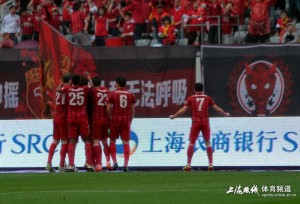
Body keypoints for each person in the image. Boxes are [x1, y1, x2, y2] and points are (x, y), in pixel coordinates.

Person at [169, 82, 230, 171]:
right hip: (205, 121)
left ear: (194, 89)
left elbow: (184, 109)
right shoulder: (207, 98)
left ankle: (189, 165)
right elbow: (216, 108)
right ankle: (210, 164)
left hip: (195, 121)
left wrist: (174, 116)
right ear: (202, 89)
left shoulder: (191, 98)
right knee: (207, 142)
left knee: (192, 142)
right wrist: (225, 114)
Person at [62, 73, 94, 172]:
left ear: (71, 81)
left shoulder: (67, 89)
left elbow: (60, 89)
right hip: (82, 118)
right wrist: (88, 77)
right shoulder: (84, 89)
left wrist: (68, 84)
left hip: (71, 118)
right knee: (86, 140)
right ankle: (89, 163)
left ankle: (71, 165)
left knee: (72, 141)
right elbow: (92, 86)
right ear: (80, 82)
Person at [107, 77, 136, 172]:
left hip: (115, 120)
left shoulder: (113, 94)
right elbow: (133, 110)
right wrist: (130, 120)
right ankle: (125, 165)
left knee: (112, 141)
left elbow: (108, 108)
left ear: (117, 84)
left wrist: (110, 117)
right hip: (125, 121)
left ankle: (115, 162)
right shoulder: (131, 94)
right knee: (126, 142)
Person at [46, 74, 72, 172]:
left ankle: (49, 162)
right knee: (65, 141)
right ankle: (61, 165)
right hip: (63, 118)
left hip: (56, 116)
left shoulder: (59, 88)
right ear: (69, 81)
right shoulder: (69, 89)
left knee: (55, 141)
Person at [90, 77, 112, 171]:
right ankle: (108, 162)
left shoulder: (94, 91)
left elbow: (90, 86)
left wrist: (88, 77)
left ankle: (98, 164)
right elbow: (109, 107)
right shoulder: (107, 91)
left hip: (97, 119)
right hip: (106, 119)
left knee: (96, 141)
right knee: (105, 141)